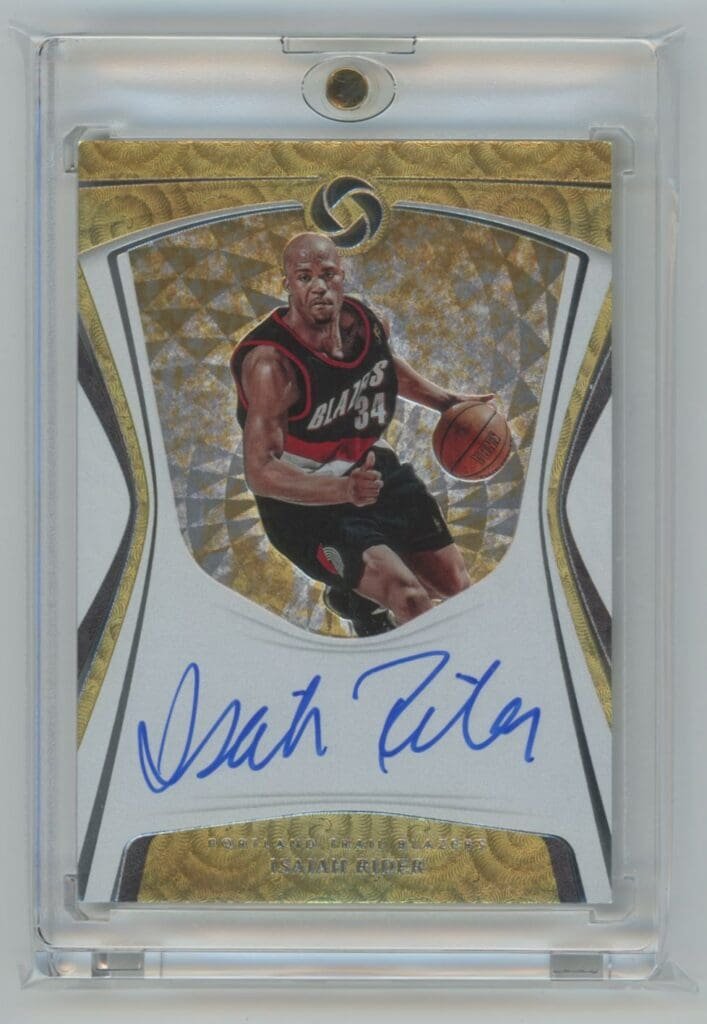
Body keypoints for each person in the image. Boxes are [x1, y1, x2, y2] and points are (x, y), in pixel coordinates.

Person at [230, 232, 493, 635]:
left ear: (342, 275)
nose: (318, 286)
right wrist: (343, 491)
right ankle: (369, 611)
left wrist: (447, 402)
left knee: (457, 590)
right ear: (288, 285)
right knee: (411, 601)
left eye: (327, 274)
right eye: (304, 277)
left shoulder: (365, 325)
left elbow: (383, 367)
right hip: (303, 504)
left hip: (370, 470)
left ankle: (355, 598)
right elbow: (260, 472)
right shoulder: (271, 365)